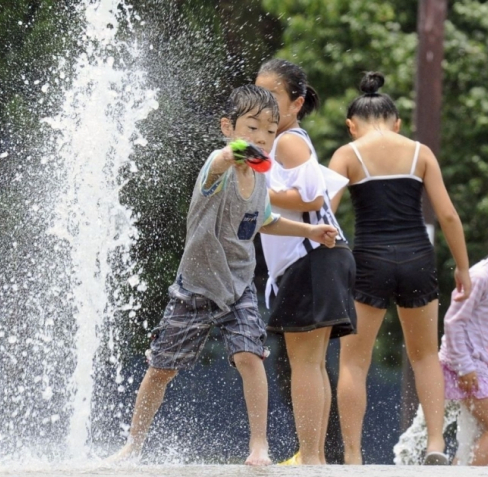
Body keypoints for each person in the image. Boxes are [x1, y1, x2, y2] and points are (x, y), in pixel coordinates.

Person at [108, 85, 338, 466]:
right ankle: (134, 443)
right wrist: (239, 151)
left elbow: (263, 220)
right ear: (227, 127)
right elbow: (221, 159)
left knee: (250, 356)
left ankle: (259, 446)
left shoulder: (263, 177)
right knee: (161, 369)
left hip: (238, 287)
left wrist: (309, 231)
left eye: (269, 130)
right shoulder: (217, 165)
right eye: (252, 128)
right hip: (194, 288)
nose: (262, 138)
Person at [329, 72, 472, 465]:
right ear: (397, 123)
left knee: (354, 362)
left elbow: (325, 213)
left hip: (369, 259)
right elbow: (448, 215)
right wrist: (463, 269)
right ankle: (436, 447)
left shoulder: (347, 154)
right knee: (425, 355)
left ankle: (354, 457)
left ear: (351, 125)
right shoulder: (420, 152)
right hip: (417, 257)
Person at [256, 59, 356, 466]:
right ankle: (313, 457)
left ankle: (312, 459)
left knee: (306, 364)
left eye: (274, 97)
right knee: (310, 364)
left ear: (296, 103)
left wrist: (258, 190)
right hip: (317, 258)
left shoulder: (287, 141)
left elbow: (314, 198)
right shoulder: (276, 143)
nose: (264, 106)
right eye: (259, 95)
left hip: (312, 259)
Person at [438, 244, 488, 466]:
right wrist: (464, 367)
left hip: (486, 367)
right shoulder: (481, 276)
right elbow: (453, 322)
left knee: (475, 436)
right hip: (464, 363)